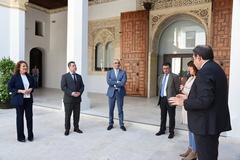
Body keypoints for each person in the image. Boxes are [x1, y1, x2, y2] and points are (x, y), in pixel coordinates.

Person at [168, 45, 232, 160]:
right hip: (213, 122)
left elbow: (205, 101)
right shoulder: (216, 68)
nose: (193, 61)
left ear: (199, 57)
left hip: (206, 124)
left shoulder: (204, 72)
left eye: (193, 57)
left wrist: (184, 102)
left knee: (206, 156)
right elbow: (208, 96)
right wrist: (188, 96)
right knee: (211, 154)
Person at [8, 61, 35, 142]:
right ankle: (21, 137)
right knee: (20, 118)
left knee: (29, 118)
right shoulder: (15, 77)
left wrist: (31, 89)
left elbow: (33, 86)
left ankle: (30, 135)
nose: (25, 67)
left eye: (26, 66)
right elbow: (10, 88)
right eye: (23, 66)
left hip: (28, 100)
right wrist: (20, 91)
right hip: (19, 100)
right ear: (19, 68)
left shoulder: (30, 77)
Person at [156, 62, 180, 139]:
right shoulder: (160, 77)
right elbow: (159, 88)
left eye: (166, 68)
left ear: (170, 68)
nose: (165, 70)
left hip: (170, 99)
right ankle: (162, 130)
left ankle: (171, 132)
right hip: (162, 99)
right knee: (163, 116)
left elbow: (177, 89)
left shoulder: (175, 77)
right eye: (164, 68)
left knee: (171, 116)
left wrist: (175, 98)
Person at [179, 61, 198, 160]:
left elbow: (193, 93)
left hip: (192, 107)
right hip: (186, 106)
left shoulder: (198, 79)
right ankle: (190, 148)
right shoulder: (191, 78)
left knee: (193, 130)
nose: (188, 70)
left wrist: (184, 90)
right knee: (189, 129)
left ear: (194, 68)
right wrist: (182, 92)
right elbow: (187, 91)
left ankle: (195, 151)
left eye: (190, 68)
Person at [61, 61, 84, 136]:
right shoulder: (65, 76)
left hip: (77, 99)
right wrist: (72, 93)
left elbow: (82, 86)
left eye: (75, 65)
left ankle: (76, 128)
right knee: (68, 115)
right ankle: (67, 129)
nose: (75, 67)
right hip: (68, 100)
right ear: (69, 67)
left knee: (77, 115)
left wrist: (79, 93)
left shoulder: (79, 76)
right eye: (73, 66)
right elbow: (63, 87)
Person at [106, 59, 127, 131]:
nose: (117, 64)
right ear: (113, 64)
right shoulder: (109, 72)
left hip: (120, 93)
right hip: (111, 93)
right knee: (111, 109)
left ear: (120, 64)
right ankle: (110, 124)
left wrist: (114, 82)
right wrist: (118, 82)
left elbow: (123, 82)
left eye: (118, 63)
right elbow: (108, 82)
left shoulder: (123, 72)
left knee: (120, 109)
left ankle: (121, 125)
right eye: (115, 63)